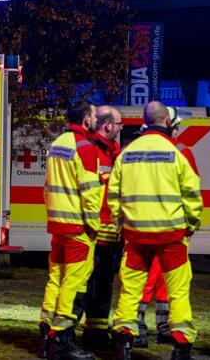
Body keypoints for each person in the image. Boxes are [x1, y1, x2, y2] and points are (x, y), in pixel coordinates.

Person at [109, 101, 203, 360]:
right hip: (171, 236)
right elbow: (193, 196)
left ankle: (124, 342)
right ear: (166, 121)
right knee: (179, 292)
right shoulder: (177, 153)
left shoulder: (127, 152)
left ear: (145, 121)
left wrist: (121, 224)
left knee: (130, 291)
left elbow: (113, 195)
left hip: (136, 236)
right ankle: (181, 346)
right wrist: (191, 225)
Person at [38, 98, 102, 360]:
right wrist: (94, 226)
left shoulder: (57, 145)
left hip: (59, 225)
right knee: (73, 283)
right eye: (95, 116)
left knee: (56, 279)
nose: (96, 121)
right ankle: (61, 339)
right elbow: (90, 193)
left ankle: (46, 329)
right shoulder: (85, 147)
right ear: (86, 119)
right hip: (78, 227)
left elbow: (47, 186)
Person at [82, 106, 122, 349]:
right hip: (96, 229)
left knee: (103, 282)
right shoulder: (92, 151)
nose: (120, 129)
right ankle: (89, 333)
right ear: (108, 126)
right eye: (119, 125)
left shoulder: (110, 152)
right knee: (92, 282)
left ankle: (96, 330)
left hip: (108, 230)